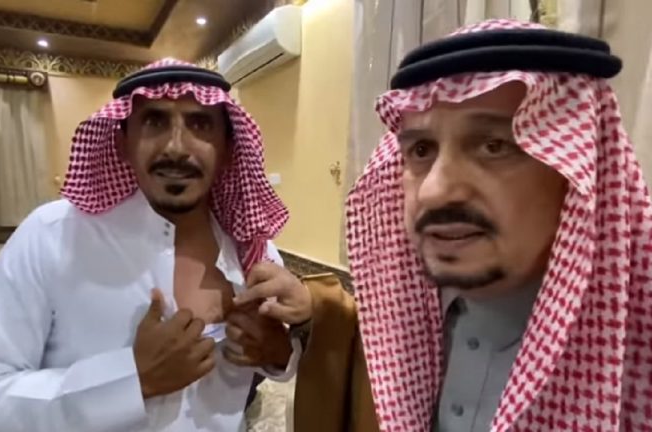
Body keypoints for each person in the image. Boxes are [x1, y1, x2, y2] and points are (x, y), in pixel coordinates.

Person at [235, 19, 652, 431]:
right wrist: (314, 311)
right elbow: (371, 345)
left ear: (579, 169)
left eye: (493, 146)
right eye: (421, 150)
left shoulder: (634, 350)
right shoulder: (408, 316)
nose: (433, 191)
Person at [0, 59, 303, 432]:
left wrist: (278, 354)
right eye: (154, 122)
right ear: (122, 142)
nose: (176, 147)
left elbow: (274, 359)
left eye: (200, 124)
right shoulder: (52, 235)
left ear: (228, 148)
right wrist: (133, 381)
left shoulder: (251, 248)